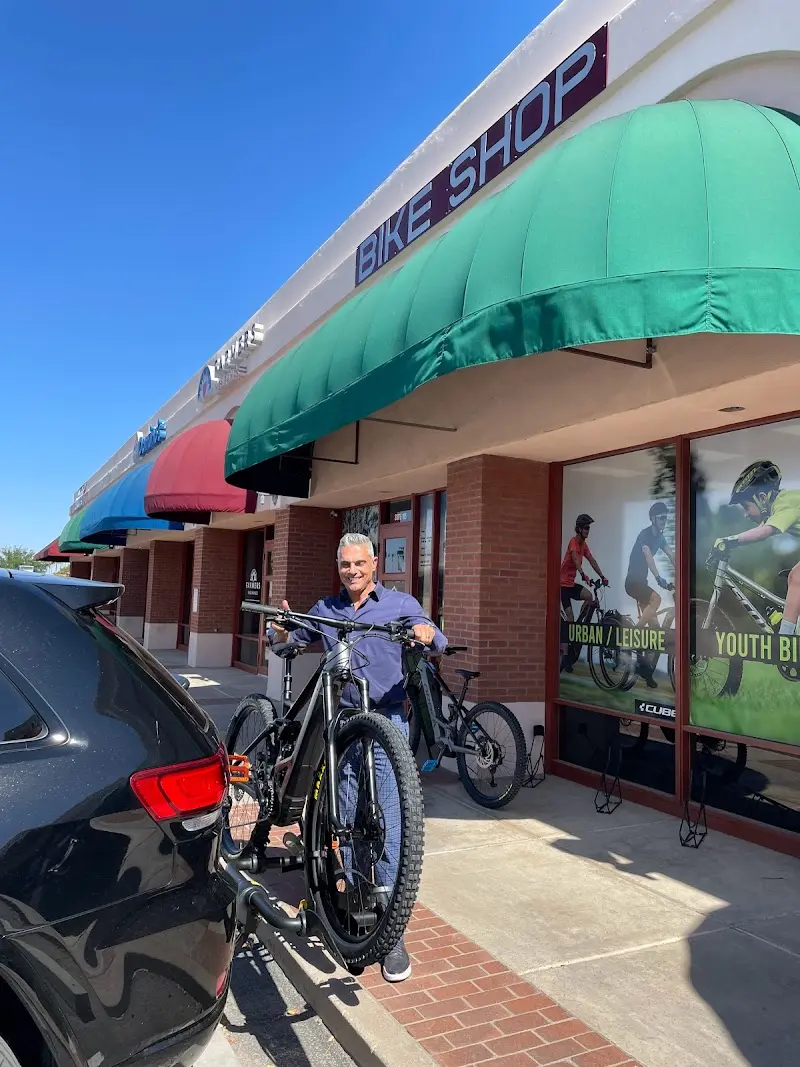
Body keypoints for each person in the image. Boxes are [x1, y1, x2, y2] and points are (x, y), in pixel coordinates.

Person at [268, 532, 447, 983]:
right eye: (345, 564)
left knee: (386, 820)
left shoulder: (400, 603)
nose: (352, 571)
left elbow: (434, 636)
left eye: (359, 563)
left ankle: (390, 926)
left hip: (386, 722)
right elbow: (287, 637)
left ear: (374, 563)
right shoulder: (326, 610)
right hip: (341, 724)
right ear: (339, 566)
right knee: (344, 815)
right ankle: (351, 895)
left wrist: (425, 633)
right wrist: (279, 630)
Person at [714, 460, 800, 635]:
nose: (746, 514)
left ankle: (785, 642)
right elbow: (761, 528)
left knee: (797, 577)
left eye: (746, 507)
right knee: (794, 577)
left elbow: (764, 532)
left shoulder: (786, 504)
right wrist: (731, 540)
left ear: (762, 498)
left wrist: (730, 541)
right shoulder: (780, 504)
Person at [623, 501, 675, 688]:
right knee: (657, 599)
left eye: (666, 518)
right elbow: (648, 557)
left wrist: (684, 572)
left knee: (655, 632)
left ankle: (646, 670)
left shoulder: (660, 538)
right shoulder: (644, 535)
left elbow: (671, 555)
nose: (664, 521)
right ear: (653, 518)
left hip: (642, 585)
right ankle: (634, 633)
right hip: (632, 583)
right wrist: (659, 578)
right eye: (661, 517)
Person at [559, 514, 608, 673]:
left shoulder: (584, 545)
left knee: (589, 596)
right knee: (569, 619)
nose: (588, 530)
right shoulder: (573, 542)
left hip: (571, 584)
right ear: (579, 528)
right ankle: (566, 657)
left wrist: (602, 576)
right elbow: (574, 559)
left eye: (589, 528)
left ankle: (579, 624)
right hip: (562, 586)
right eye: (586, 527)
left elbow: (591, 560)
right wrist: (582, 574)